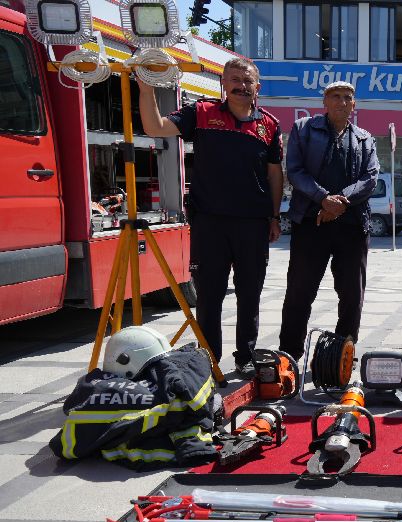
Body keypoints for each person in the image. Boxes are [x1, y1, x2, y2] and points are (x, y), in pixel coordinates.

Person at [138, 58, 283, 376]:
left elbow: (275, 175)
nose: (241, 86)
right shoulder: (201, 113)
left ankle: (246, 357)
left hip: (253, 224)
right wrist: (146, 87)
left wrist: (275, 217)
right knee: (209, 296)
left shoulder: (270, 125)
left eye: (247, 80)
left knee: (249, 295)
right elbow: (154, 127)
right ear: (223, 84)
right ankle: (208, 360)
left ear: (257, 87)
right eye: (235, 79)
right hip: (209, 224)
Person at [278, 81, 379, 360]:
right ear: (324, 101)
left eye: (347, 97)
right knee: (300, 291)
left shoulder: (364, 138)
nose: (341, 102)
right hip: (311, 223)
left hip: (353, 225)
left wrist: (340, 202)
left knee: (352, 295)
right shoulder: (304, 129)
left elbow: (370, 177)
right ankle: (289, 354)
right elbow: (295, 171)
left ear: (354, 104)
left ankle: (343, 353)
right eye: (335, 96)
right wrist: (323, 199)